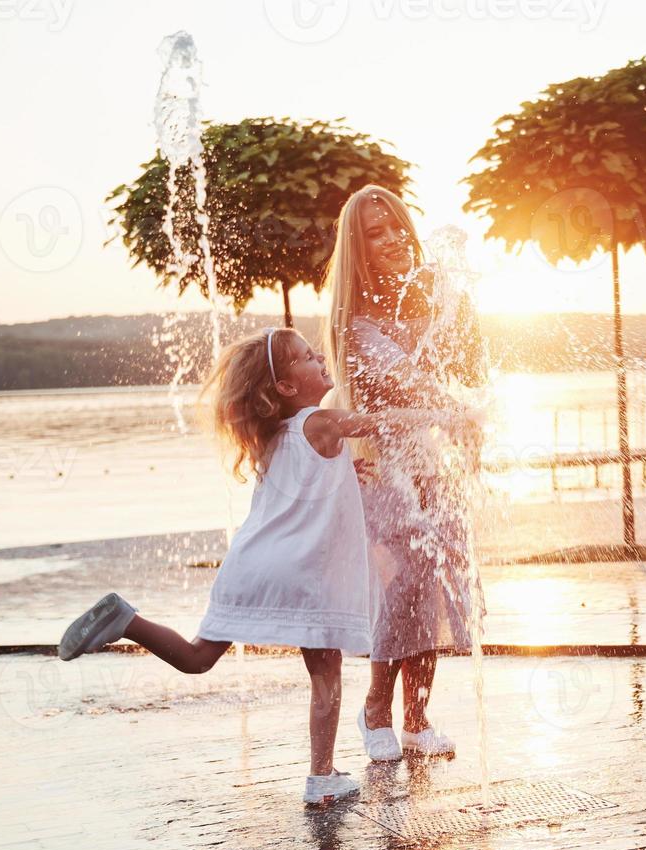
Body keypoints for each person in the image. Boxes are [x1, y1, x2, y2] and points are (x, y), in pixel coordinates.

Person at [56, 328, 456, 804]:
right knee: (325, 675)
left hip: (250, 565)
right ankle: (321, 776)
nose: (319, 358)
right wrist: (451, 415)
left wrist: (345, 471)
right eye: (307, 358)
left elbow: (304, 486)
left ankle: (128, 619)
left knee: (197, 658)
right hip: (305, 575)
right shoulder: (322, 422)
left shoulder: (273, 436)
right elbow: (386, 421)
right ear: (286, 388)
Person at [320, 184, 486, 762]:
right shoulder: (356, 323)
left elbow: (465, 365)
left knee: (437, 587)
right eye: (374, 233)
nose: (390, 240)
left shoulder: (427, 304)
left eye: (395, 227)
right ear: (357, 247)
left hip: (431, 471)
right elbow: (406, 385)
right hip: (381, 474)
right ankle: (375, 710)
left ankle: (417, 718)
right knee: (401, 590)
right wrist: (456, 409)